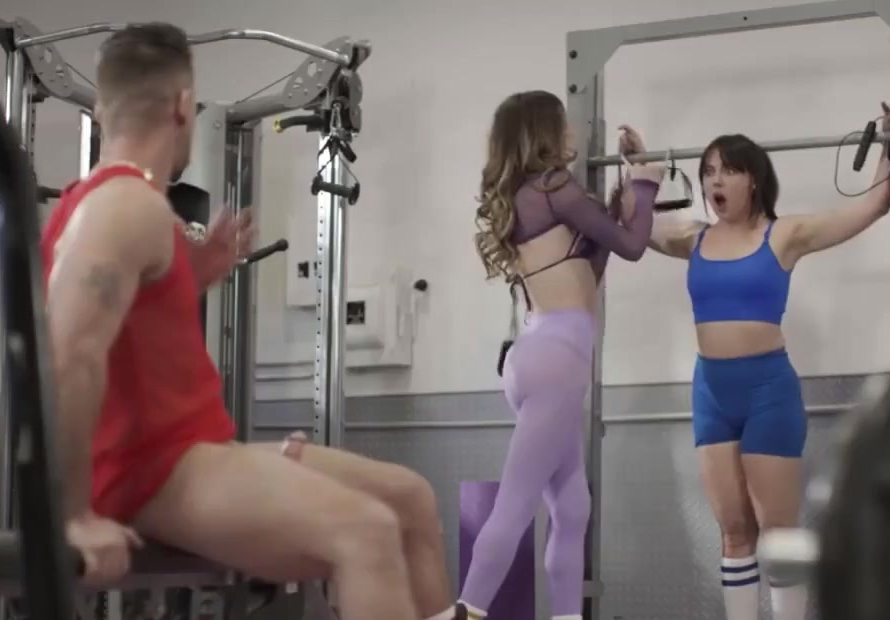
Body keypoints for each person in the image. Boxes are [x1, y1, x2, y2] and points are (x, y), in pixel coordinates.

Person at [42, 22, 460, 620]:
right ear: (184, 105)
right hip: (154, 472)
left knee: (410, 499)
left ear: (104, 109)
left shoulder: (126, 206)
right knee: (367, 532)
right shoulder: (123, 205)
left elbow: (127, 330)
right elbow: (67, 352)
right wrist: (72, 515)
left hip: (193, 453)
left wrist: (196, 271)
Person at [618, 102, 890, 620]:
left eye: (727, 170)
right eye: (708, 171)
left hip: (767, 392)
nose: (714, 180)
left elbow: (872, 207)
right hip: (711, 392)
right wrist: (637, 171)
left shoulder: (783, 235)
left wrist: (889, 143)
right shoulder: (692, 237)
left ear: (753, 180)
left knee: (778, 534)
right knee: (734, 532)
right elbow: (632, 225)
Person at [458, 90, 666, 620]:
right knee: (516, 505)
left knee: (572, 509)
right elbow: (633, 246)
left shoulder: (528, 197)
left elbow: (589, 268)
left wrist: (623, 191)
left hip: (537, 352)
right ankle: (467, 609)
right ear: (544, 132)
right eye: (563, 122)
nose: (572, 131)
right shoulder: (555, 187)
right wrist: (647, 182)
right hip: (559, 360)